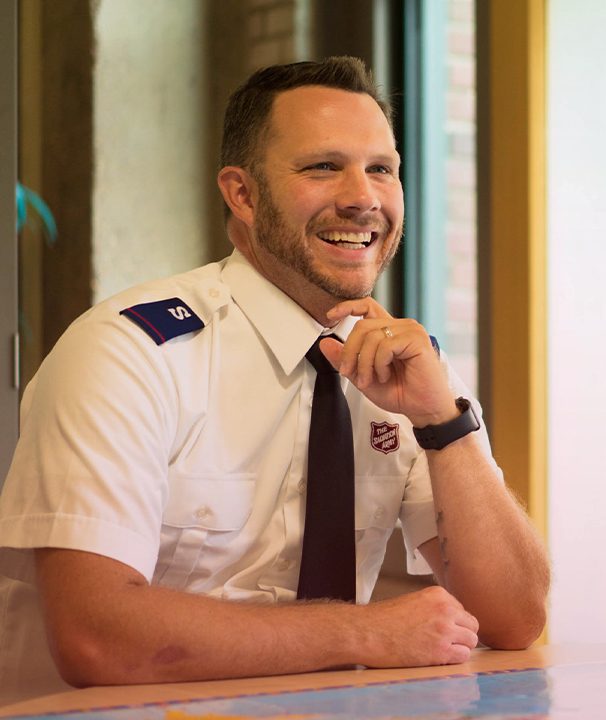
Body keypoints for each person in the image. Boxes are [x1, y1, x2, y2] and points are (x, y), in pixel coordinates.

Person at [0, 57, 549, 705]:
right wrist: (362, 632)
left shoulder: (407, 366)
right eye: (323, 167)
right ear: (243, 194)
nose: (364, 196)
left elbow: (516, 619)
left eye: (382, 169)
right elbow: (97, 637)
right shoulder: (129, 351)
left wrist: (444, 422)